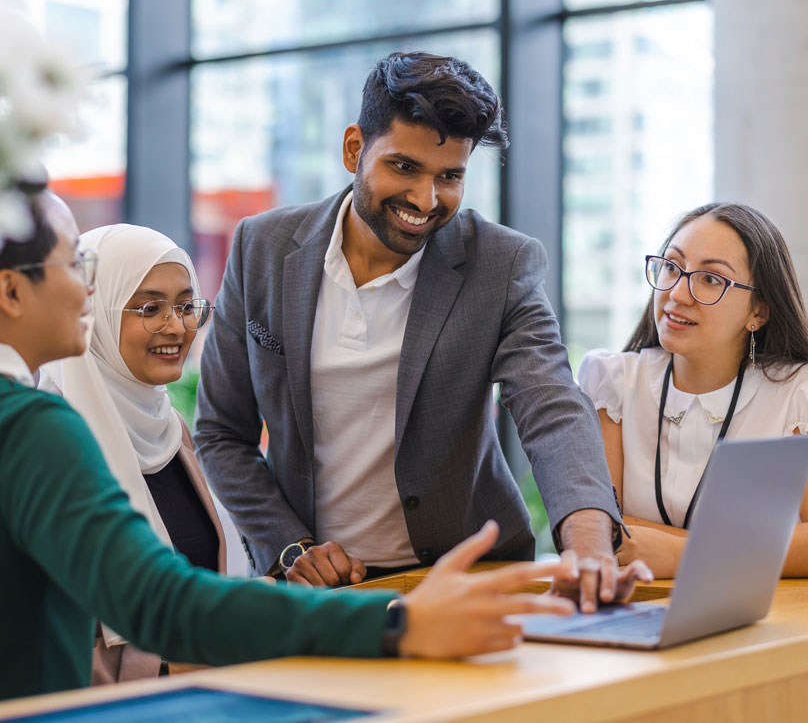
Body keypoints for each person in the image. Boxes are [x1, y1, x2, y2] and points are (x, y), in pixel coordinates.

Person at [0, 188, 607, 701]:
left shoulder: (147, 430)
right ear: (11, 292)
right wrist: (393, 623)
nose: (87, 289)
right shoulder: (37, 428)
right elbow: (159, 604)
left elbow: (550, 406)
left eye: (186, 306)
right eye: (72, 267)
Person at [194, 51, 647, 609]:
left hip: (462, 578)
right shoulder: (260, 248)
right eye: (405, 167)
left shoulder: (501, 265)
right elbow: (221, 434)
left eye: (450, 176)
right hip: (318, 590)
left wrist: (588, 546)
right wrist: (291, 547)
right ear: (354, 149)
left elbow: (551, 407)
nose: (426, 201)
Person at [38, 223, 238, 684]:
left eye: (187, 306)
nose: (178, 326)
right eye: (151, 308)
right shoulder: (51, 443)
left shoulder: (170, 430)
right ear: (93, 311)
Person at [579, 203, 808, 578]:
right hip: (636, 605)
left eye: (711, 279)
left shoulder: (796, 393)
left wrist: (684, 554)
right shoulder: (613, 381)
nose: (678, 294)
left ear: (759, 313)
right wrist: (756, 547)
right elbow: (601, 527)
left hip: (761, 618)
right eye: (672, 267)